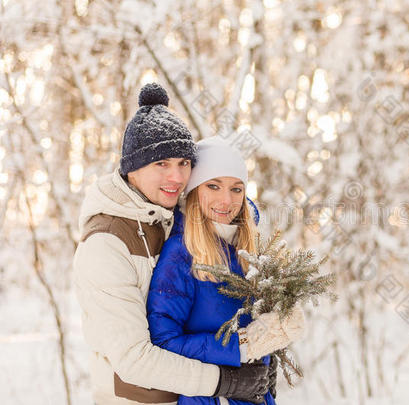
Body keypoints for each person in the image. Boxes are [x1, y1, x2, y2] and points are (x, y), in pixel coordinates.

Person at [73, 83, 270, 404]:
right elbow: (134, 358)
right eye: (160, 164)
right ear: (132, 167)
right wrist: (227, 380)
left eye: (183, 163)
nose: (176, 177)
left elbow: (224, 202)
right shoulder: (105, 244)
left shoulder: (168, 212)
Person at [146, 137, 306, 405]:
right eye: (213, 186)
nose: (226, 200)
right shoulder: (180, 253)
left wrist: (278, 329)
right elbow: (163, 341)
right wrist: (242, 346)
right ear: (195, 190)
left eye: (236, 189)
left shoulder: (247, 250)